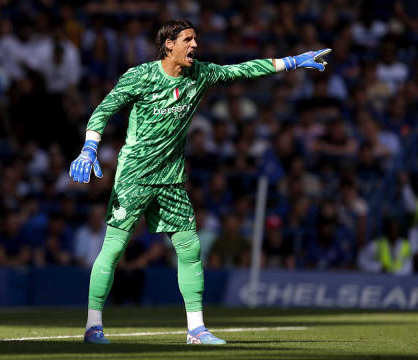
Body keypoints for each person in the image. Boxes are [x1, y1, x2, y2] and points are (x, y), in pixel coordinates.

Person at [69, 19, 331, 345]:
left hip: (171, 179)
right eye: (188, 40)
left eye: (195, 39)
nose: (195, 45)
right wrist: (88, 149)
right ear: (168, 45)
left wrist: (292, 61)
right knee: (113, 249)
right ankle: (93, 326)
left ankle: (196, 329)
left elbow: (243, 70)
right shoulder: (140, 76)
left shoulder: (200, 74)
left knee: (190, 248)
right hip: (133, 177)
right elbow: (103, 110)